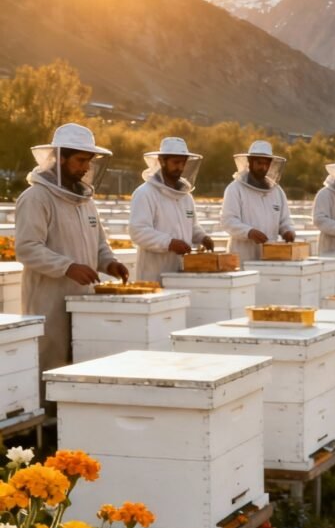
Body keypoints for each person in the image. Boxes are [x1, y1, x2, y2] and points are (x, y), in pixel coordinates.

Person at [14, 123, 129, 375]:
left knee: (79, 369)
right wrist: (67, 267)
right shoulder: (36, 198)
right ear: (61, 157)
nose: (86, 167)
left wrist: (110, 263)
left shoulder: (85, 201)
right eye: (80, 160)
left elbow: (99, 244)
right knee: (48, 366)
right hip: (48, 301)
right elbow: (27, 248)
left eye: (89, 161)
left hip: (83, 301)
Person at [129, 136, 214, 281]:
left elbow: (191, 226)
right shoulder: (145, 193)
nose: (180, 167)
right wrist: (169, 243)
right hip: (153, 274)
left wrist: (202, 237)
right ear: (162, 161)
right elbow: (138, 231)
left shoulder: (186, 197)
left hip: (181, 273)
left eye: (183, 163)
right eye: (175, 162)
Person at [220, 140, 296, 262]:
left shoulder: (277, 191)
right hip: (242, 256)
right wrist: (248, 232)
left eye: (266, 163)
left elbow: (284, 220)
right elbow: (228, 221)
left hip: (270, 256)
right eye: (259, 163)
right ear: (250, 162)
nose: (263, 167)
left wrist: (287, 231)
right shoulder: (235, 189)